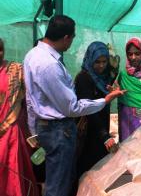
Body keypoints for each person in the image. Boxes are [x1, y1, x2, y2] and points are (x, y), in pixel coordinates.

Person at [24, 15, 125, 196]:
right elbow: (72, 108)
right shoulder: (50, 65)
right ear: (66, 38)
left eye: (104, 61)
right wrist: (105, 100)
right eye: (72, 38)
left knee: (57, 180)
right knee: (59, 185)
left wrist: (34, 129)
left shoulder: (32, 55)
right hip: (59, 130)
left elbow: (31, 98)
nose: (101, 66)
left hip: (47, 127)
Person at [74, 41, 119, 179]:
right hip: (88, 131)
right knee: (86, 170)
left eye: (104, 61)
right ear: (90, 59)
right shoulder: (84, 78)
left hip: (101, 129)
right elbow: (88, 109)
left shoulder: (104, 78)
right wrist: (104, 135)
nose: (101, 66)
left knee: (100, 171)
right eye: (97, 62)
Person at [0, 39, 39, 196]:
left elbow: (30, 97)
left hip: (12, 128)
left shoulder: (16, 69)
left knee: (13, 169)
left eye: (0, 49)